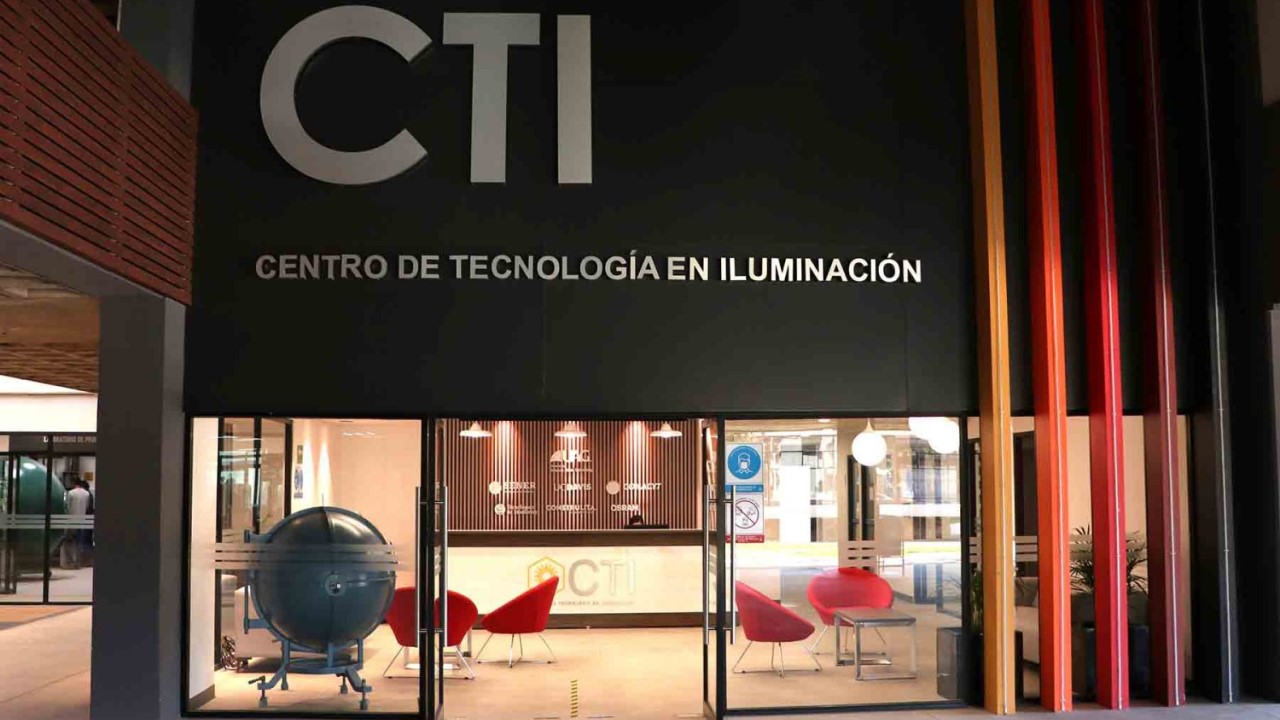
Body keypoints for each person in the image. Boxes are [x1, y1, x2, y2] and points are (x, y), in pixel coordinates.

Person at [63, 480, 92, 569]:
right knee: (80, 542)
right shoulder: (87, 494)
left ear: (74, 484)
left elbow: (67, 507)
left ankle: (70, 562)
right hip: (82, 521)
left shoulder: (70, 493)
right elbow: (87, 506)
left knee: (69, 542)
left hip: (71, 521)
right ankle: (78, 562)